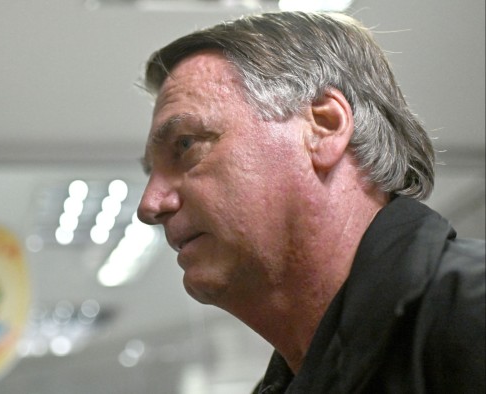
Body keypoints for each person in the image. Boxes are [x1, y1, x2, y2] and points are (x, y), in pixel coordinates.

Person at [136, 11, 485, 393]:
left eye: (185, 145)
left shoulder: (472, 313)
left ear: (325, 126)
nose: (150, 205)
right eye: (151, 171)